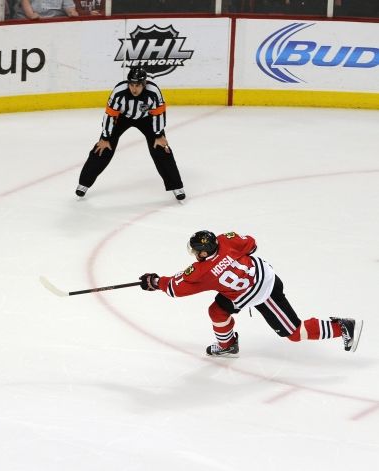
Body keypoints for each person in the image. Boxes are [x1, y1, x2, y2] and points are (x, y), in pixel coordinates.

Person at [139, 230, 363, 356]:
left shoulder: (202, 272)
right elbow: (251, 245)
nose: (194, 254)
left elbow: (174, 288)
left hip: (263, 293)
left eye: (196, 251)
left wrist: (154, 281)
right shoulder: (226, 240)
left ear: (204, 252)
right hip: (258, 277)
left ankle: (342, 326)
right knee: (217, 310)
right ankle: (227, 345)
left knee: (294, 333)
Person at [75, 67, 185, 201]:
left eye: (138, 85)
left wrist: (158, 135)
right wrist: (105, 137)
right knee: (102, 148)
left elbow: (159, 113)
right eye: (131, 84)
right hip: (121, 118)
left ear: (144, 84)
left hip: (146, 119)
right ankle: (84, 183)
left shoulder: (153, 92)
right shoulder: (119, 92)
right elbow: (110, 115)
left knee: (161, 149)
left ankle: (176, 186)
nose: (134, 89)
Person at [13, 0, 79, 19]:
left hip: (55, 24)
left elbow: (70, 9)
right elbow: (25, 1)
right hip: (30, 22)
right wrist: (31, 15)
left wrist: (72, 12)